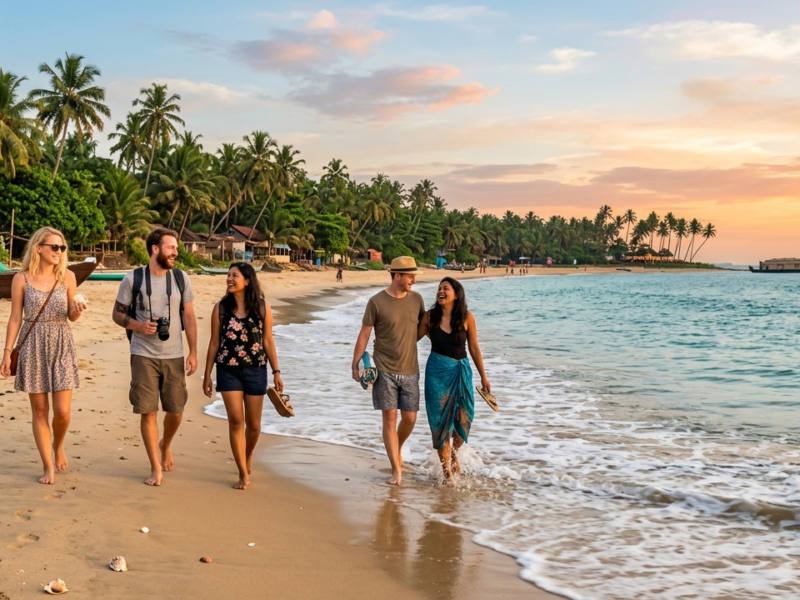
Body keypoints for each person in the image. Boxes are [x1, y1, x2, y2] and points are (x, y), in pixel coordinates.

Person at [112, 228, 198, 486]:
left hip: (174, 354)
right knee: (148, 412)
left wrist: (193, 351)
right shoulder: (133, 279)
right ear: (155, 249)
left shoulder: (181, 278)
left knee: (176, 409)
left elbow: (189, 316)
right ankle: (155, 468)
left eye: (176, 248)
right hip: (142, 354)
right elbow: (117, 314)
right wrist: (139, 326)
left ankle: (165, 444)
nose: (176, 252)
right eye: (171, 247)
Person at [1, 227, 86, 484]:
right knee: (39, 411)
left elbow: (71, 316)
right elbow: (15, 318)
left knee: (62, 412)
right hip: (32, 345)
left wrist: (77, 310)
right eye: (54, 247)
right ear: (39, 248)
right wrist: (7, 352)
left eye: (62, 247)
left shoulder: (68, 277)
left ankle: (57, 445)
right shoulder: (21, 279)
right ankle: (48, 466)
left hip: (61, 343)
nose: (59, 251)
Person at [202, 262, 283, 490]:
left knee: (254, 425)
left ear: (247, 281)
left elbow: (268, 340)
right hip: (228, 369)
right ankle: (242, 472)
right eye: (228, 275)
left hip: (256, 369)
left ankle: (247, 457)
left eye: (234, 275)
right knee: (236, 420)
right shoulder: (220, 309)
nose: (229, 279)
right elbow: (214, 342)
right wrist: (207, 374)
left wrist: (276, 372)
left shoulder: (262, 308)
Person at [351, 256, 425, 486]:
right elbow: (364, 333)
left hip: (410, 368)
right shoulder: (376, 302)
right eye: (410, 276)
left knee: (410, 418)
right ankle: (396, 469)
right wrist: (355, 363)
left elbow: (424, 327)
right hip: (384, 369)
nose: (414, 280)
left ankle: (396, 448)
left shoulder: (417, 299)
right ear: (397, 276)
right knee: (389, 419)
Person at [418, 277, 490, 484]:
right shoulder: (429, 317)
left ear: (456, 294)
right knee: (440, 421)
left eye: (446, 288)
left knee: (464, 417)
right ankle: (447, 472)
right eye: (439, 288)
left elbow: (474, 347)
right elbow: (411, 338)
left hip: (461, 371)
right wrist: (386, 340)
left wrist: (484, 376)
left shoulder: (467, 317)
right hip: (437, 373)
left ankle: (454, 454)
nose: (441, 291)